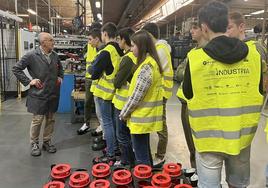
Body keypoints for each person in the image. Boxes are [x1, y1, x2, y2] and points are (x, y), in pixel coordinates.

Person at [181, 1, 263, 187]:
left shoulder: (195, 59)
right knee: (238, 184)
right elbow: (260, 91)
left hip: (208, 140)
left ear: (204, 27)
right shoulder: (254, 56)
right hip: (241, 138)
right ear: (225, 23)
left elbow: (186, 93)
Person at [12, 32, 63, 157]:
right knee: (37, 120)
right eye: (51, 40)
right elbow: (16, 68)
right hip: (39, 94)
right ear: (43, 42)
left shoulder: (55, 56)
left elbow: (60, 69)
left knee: (50, 119)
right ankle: (34, 143)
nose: (53, 42)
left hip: (52, 94)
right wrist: (29, 81)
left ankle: (46, 141)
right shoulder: (31, 56)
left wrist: (60, 77)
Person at [119, 30, 163, 166]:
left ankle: (145, 181)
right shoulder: (150, 63)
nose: (131, 49)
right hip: (144, 118)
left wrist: (123, 114)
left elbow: (135, 98)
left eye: (133, 46)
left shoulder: (146, 68)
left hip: (141, 119)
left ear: (142, 46)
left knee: (141, 158)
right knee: (144, 153)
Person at [90, 22, 124, 164]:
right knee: (113, 123)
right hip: (114, 93)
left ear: (104, 34)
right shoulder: (119, 50)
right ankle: (114, 147)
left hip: (104, 94)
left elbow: (94, 73)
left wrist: (91, 70)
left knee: (107, 123)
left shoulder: (106, 51)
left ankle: (110, 153)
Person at [176, 20, 207, 168]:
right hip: (185, 101)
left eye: (195, 28)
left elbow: (186, 73)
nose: (191, 31)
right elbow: (179, 73)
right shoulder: (193, 52)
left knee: (200, 144)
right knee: (190, 143)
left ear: (204, 29)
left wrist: (190, 72)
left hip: (198, 103)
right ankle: (195, 170)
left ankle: (201, 174)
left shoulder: (207, 52)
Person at [142, 23, 173, 167]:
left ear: (149, 35)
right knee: (159, 122)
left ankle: (160, 157)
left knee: (161, 124)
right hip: (160, 91)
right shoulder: (159, 49)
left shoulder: (160, 50)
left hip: (161, 92)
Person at [112, 27, 136, 166]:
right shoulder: (134, 56)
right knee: (128, 134)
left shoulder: (127, 58)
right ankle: (130, 158)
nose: (117, 42)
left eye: (118, 39)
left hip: (122, 103)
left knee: (122, 134)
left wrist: (116, 76)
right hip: (129, 101)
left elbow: (117, 82)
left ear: (123, 40)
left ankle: (126, 161)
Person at [226, 11, 268, 92]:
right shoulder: (225, 49)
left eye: (229, 28)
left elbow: (264, 76)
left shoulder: (257, 48)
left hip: (254, 97)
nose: (226, 32)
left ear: (241, 27)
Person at [77, 32, 98, 135]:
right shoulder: (89, 45)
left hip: (97, 78)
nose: (89, 41)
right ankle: (86, 123)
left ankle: (101, 126)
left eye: (90, 39)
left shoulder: (101, 46)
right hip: (88, 78)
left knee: (98, 104)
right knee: (87, 102)